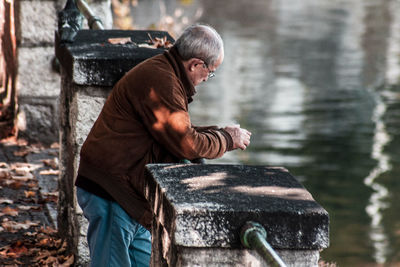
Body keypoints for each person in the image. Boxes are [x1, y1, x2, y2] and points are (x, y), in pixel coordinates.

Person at [75, 24, 251, 267]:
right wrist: (226, 140)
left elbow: (175, 132)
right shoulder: (162, 81)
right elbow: (186, 144)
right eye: (210, 72)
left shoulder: (166, 73)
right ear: (196, 64)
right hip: (112, 192)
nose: (207, 79)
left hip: (131, 197)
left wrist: (219, 133)